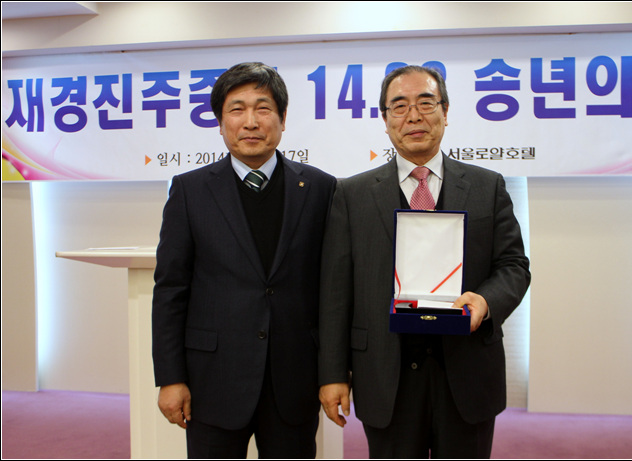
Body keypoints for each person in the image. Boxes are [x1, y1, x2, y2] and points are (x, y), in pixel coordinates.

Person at [318, 65, 531, 458]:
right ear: (385, 120)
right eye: (399, 106)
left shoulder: (487, 186)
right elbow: (335, 292)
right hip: (386, 374)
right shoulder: (352, 194)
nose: (413, 116)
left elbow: (514, 265)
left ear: (445, 112)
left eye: (426, 103)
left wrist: (485, 301)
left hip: (467, 371)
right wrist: (333, 373)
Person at [152, 62, 336, 459]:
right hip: (213, 380)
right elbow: (170, 290)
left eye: (263, 108)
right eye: (237, 109)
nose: (250, 121)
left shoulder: (320, 188)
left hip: (294, 379)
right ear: (221, 122)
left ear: (282, 119)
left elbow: (333, 289)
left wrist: (335, 372)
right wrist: (170, 377)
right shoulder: (190, 191)